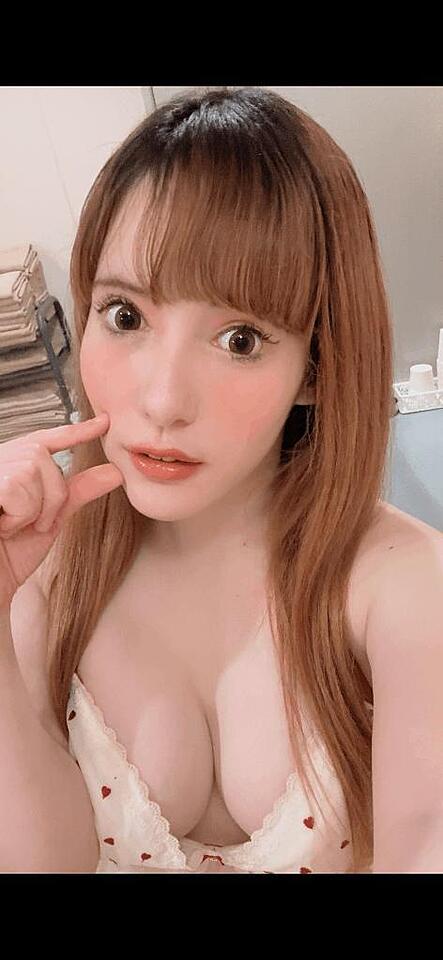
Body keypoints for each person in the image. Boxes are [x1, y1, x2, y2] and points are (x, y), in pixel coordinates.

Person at [1, 87, 442, 875]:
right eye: (125, 316)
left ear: (316, 366)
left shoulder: (402, 588)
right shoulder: (48, 574)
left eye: (239, 338)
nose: (163, 401)